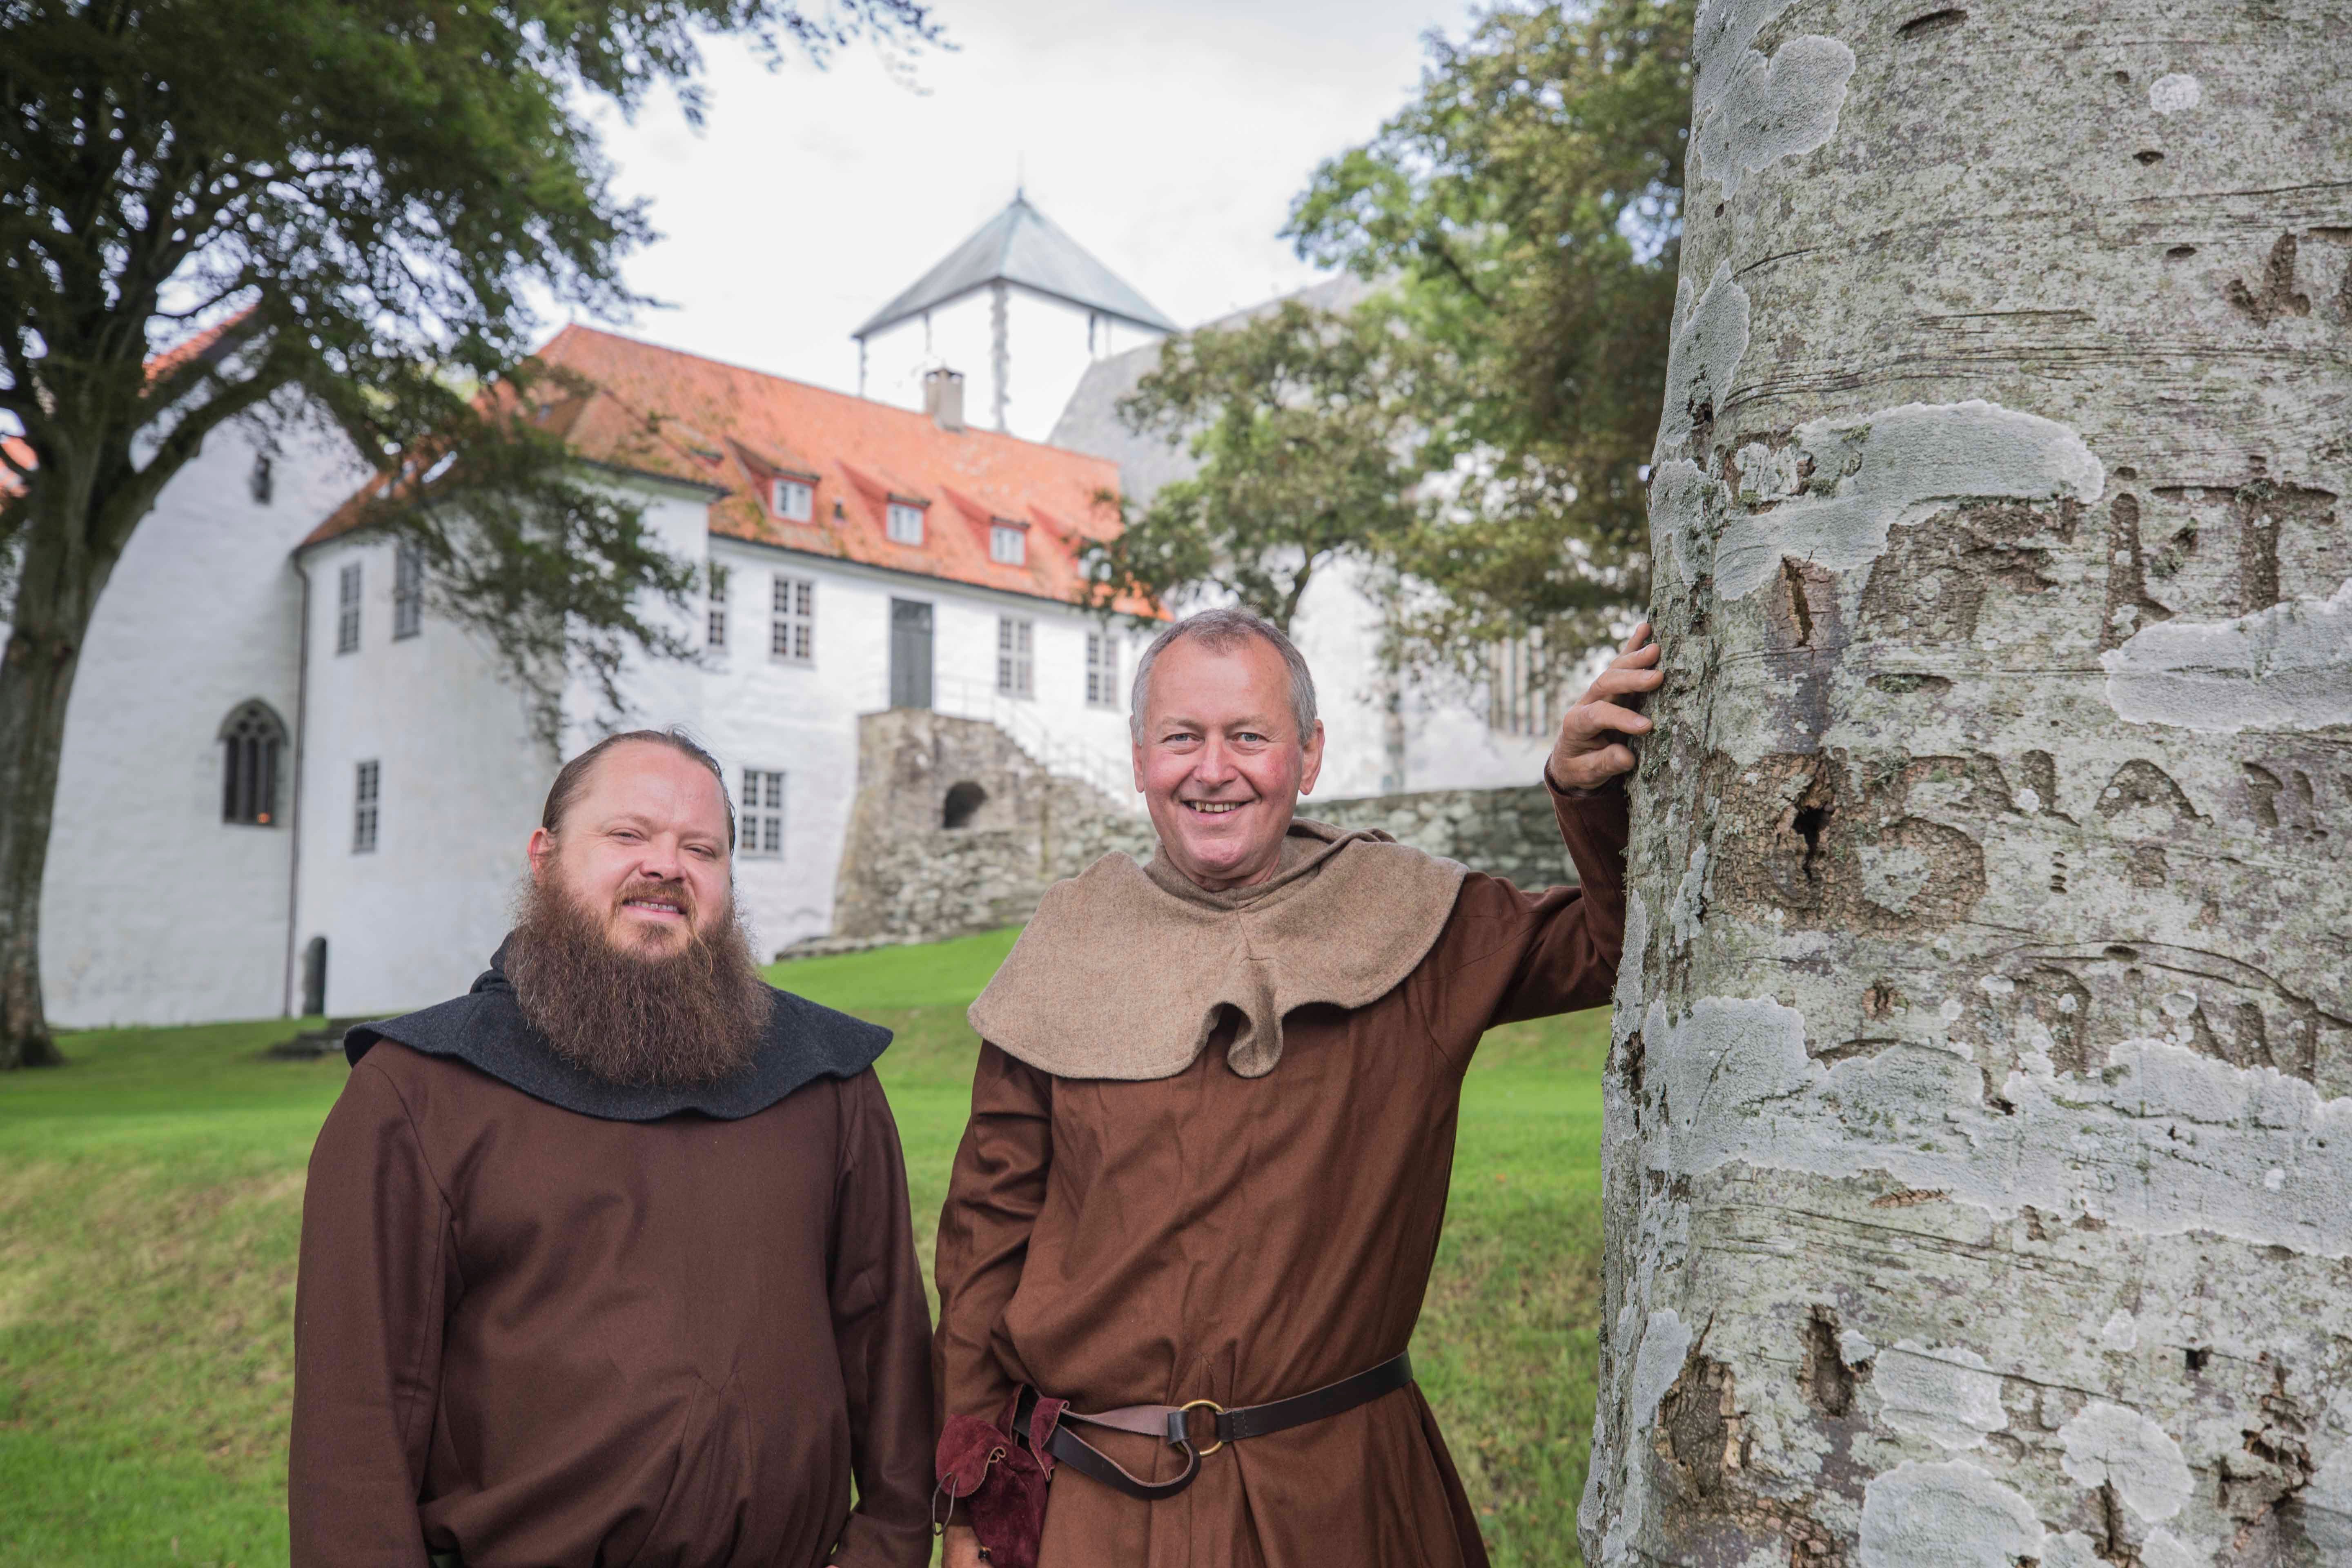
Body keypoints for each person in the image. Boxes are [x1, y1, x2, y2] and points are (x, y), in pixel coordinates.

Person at [932, 609, 1658, 1568]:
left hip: (1340, 1504)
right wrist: (975, 1505)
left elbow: (1622, 949)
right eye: (1181, 738)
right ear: (1141, 759)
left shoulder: (1412, 919)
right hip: (1094, 1515)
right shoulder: (1065, 947)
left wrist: (1588, 792)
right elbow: (983, 1245)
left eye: (1249, 736)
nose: (1213, 770)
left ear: (1308, 756)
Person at [290, 729, 935, 1568]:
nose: (666, 866)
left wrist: (886, 1551)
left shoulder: (826, 1082)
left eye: (701, 849)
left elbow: (888, 1356)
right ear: (545, 857)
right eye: (628, 834)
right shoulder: (417, 1093)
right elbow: (355, 1427)